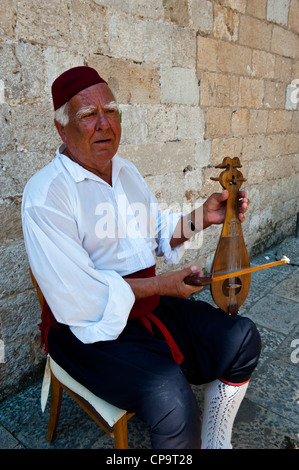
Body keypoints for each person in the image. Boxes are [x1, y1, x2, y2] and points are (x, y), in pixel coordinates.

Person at [21, 66, 261, 449]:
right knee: (169, 396)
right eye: (88, 115)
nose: (104, 124)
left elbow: (158, 232)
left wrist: (205, 215)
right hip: (86, 329)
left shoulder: (126, 172)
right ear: (61, 129)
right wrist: (163, 285)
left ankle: (217, 443)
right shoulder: (46, 195)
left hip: (147, 307)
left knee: (241, 336)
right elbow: (78, 295)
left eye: (111, 111)